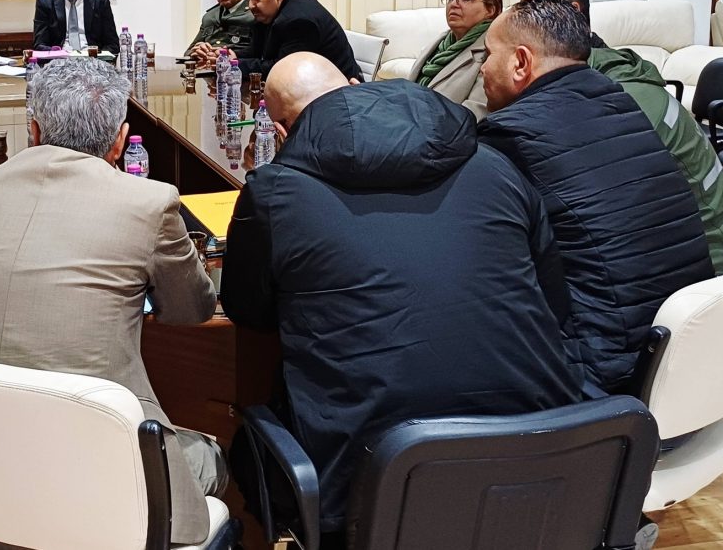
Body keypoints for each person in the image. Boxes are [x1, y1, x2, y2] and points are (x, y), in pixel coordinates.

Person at [221, 52, 583, 544]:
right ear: (355, 85)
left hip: (370, 488)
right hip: (543, 466)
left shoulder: (274, 193)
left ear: (280, 132)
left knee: (248, 448)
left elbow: (249, 312)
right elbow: (553, 303)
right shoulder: (495, 166)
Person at [0, 58, 223, 546]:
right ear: (120, 141)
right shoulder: (150, 202)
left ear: (33, 131)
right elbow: (191, 310)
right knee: (213, 453)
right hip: (97, 466)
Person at [478, 0, 713, 392]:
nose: (482, 68)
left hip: (605, 375)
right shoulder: (619, 101)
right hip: (688, 351)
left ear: (520, 62)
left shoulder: (511, 135)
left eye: (487, 54)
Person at [524, 0, 723, 276]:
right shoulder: (583, 78)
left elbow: (596, 198)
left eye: (535, 9)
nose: (523, 20)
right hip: (657, 245)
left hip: (703, 265)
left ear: (571, 14)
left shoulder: (623, 97)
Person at [231, 0, 360, 81]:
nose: (251, 5)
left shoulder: (299, 21)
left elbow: (281, 71)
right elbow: (259, 52)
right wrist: (232, 56)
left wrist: (235, 65)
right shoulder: (275, 8)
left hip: (343, 91)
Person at [408, 0, 502, 120]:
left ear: (490, 10)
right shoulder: (439, 43)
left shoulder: (492, 53)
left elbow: (474, 116)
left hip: (439, 130)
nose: (454, 4)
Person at [33, 0, 120, 53]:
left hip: (92, 59)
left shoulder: (100, 0)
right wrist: (58, 54)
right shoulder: (45, 1)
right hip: (59, 60)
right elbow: (39, 45)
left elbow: (113, 45)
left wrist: (97, 57)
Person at [187, 0, 254, 62]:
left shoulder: (254, 13)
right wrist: (197, 51)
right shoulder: (210, 16)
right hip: (205, 69)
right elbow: (188, 52)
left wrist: (226, 56)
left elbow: (260, 54)